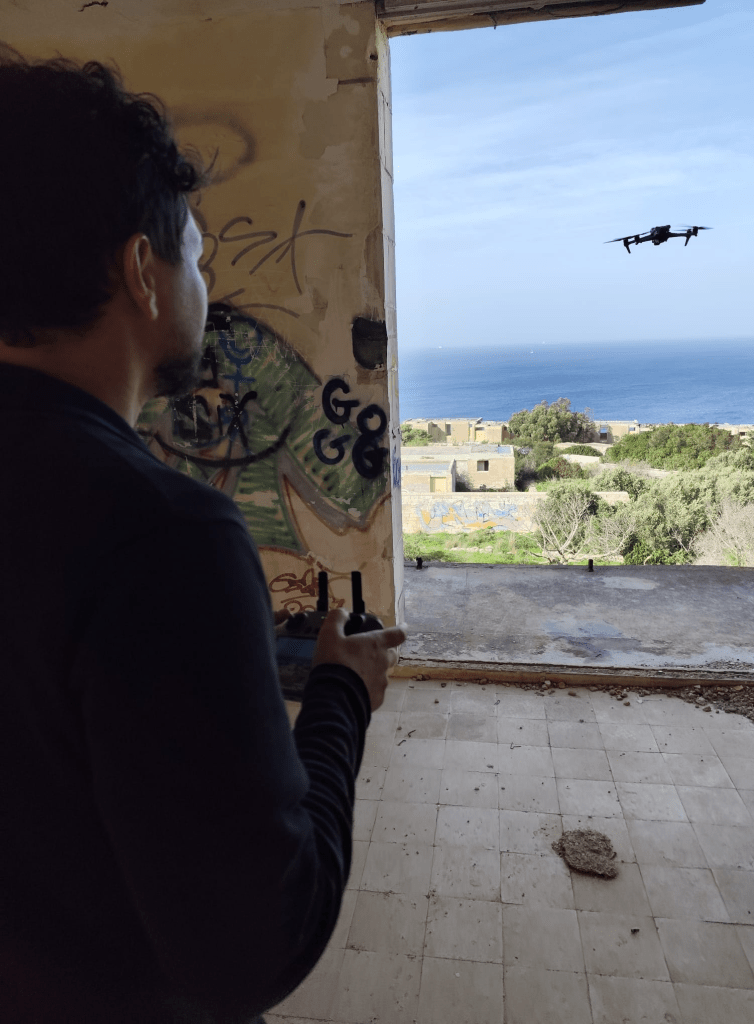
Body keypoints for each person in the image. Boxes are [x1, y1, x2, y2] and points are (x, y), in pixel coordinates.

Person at [0, 47, 407, 1024]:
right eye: (197, 253)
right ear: (142, 271)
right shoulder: (163, 538)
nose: (208, 278)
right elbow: (256, 946)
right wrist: (342, 695)